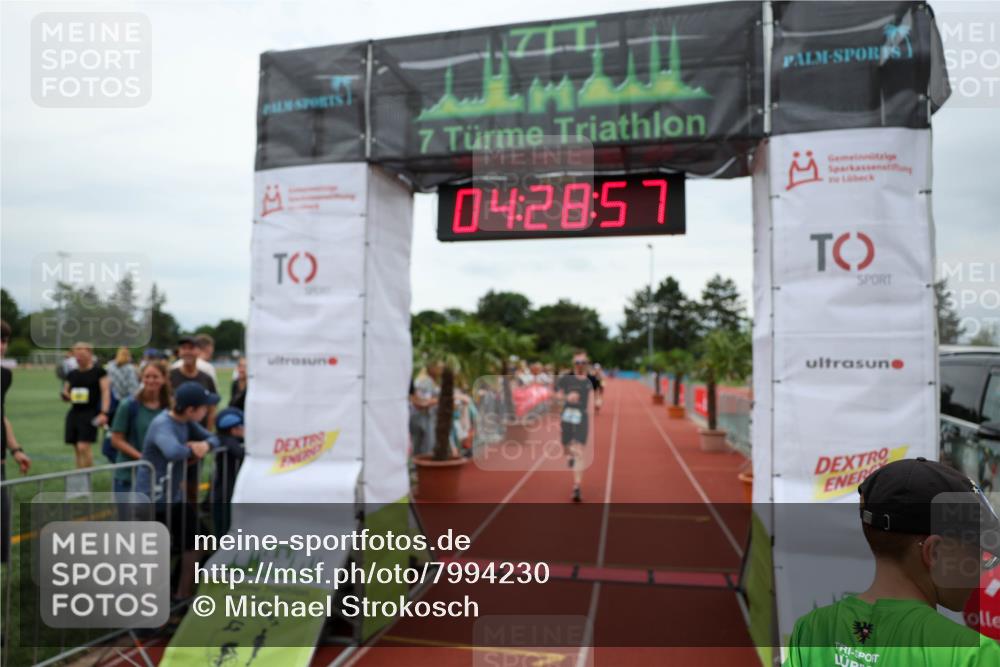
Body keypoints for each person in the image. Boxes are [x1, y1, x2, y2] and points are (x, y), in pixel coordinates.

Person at [785, 457, 1000, 666]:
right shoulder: (972, 654)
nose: (980, 570)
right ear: (934, 552)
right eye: (976, 553)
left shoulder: (812, 630)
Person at [135, 381, 220, 599]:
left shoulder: (186, 422)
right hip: (153, 500)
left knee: (201, 541)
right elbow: (172, 451)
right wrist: (193, 449)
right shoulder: (163, 424)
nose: (207, 411)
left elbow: (214, 438)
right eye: (204, 407)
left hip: (173, 498)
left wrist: (205, 445)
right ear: (191, 409)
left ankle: (181, 594)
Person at [109, 360, 171, 509]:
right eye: (147, 376)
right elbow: (116, 440)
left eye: (155, 377)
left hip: (158, 476)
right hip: (129, 475)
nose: (151, 380)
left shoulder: (169, 407)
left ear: (163, 379)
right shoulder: (129, 405)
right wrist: (143, 459)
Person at [1, 320, 31, 565]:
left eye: (3, 340)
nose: (1, 346)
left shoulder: (4, 375)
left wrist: (15, 449)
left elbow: (1, 416)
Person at [555, 351, 598, 503]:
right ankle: (569, 455)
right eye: (577, 362)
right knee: (566, 447)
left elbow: (596, 395)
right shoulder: (565, 378)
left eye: (583, 362)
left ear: (587, 364)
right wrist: (567, 397)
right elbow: (556, 395)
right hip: (567, 416)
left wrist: (596, 404)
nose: (580, 365)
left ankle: (577, 486)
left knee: (579, 450)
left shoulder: (591, 379)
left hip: (582, 417)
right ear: (573, 364)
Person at [61, 342, 111, 470]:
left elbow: (106, 392)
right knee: (76, 447)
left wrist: (104, 412)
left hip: (90, 412)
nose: (79, 358)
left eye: (82, 355)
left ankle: (86, 475)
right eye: (76, 355)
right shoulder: (72, 374)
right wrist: (65, 395)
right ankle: (79, 474)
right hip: (74, 412)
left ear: (90, 354)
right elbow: (66, 391)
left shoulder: (99, 372)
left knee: (83, 446)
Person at [169, 335, 217, 430]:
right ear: (179, 352)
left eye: (191, 348)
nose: (187, 352)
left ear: (198, 351)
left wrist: (208, 432)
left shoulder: (206, 376)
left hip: (200, 430)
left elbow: (212, 409)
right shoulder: (170, 375)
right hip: (176, 430)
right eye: (184, 348)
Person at [211, 407, 245, 536]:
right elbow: (240, 453)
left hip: (227, 490)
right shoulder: (228, 441)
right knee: (224, 524)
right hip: (225, 492)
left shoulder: (228, 439)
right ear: (234, 430)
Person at [409, 363, 440, 457]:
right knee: (426, 447)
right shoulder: (426, 381)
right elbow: (421, 403)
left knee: (418, 447)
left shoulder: (424, 380)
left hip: (419, 416)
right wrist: (438, 400)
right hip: (422, 417)